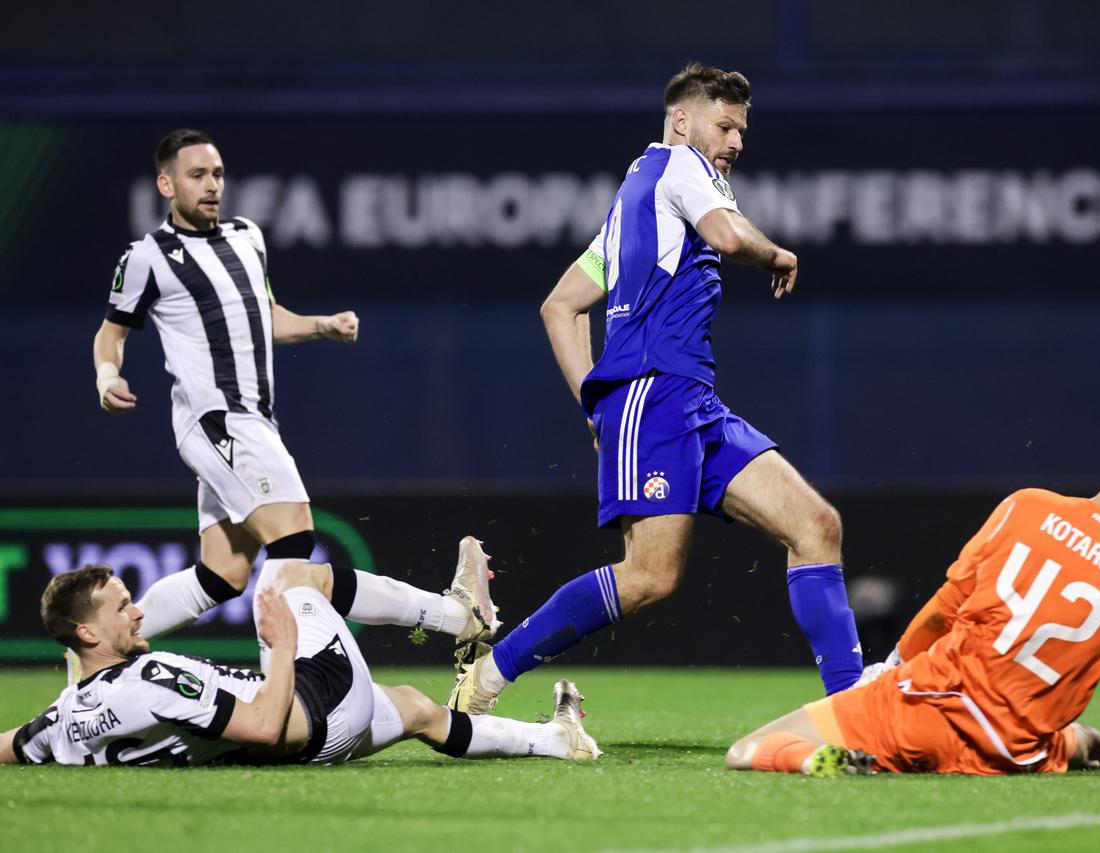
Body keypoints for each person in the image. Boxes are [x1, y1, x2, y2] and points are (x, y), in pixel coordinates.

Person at [448, 63, 862, 713]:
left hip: (691, 402)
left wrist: (594, 405)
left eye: (742, 131)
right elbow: (726, 235)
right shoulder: (679, 167)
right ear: (682, 121)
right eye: (725, 126)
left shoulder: (633, 203)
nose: (736, 142)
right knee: (649, 576)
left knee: (816, 526)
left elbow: (560, 306)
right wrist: (777, 253)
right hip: (656, 393)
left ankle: (852, 710)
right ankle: (489, 674)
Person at [93, 129, 487, 654]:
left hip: (252, 419)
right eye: (197, 175)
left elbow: (267, 317)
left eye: (217, 174)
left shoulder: (246, 236)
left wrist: (323, 325)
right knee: (295, 540)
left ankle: (100, 652)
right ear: (166, 184)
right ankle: (447, 618)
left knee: (222, 574)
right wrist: (108, 376)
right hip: (218, 420)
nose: (212, 185)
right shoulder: (147, 257)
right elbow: (111, 333)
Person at [725, 429, 1100, 776]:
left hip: (920, 708)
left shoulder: (1028, 506)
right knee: (1083, 743)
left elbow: (947, 605)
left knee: (747, 750)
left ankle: (816, 760)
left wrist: (891, 667)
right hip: (1014, 749)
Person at [0, 562, 598, 767]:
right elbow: (265, 726)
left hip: (297, 740)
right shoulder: (149, 679)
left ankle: (556, 741)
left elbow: (11, 745)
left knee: (417, 708)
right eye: (122, 608)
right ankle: (459, 615)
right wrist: (283, 646)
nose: (138, 613)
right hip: (314, 710)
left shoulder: (63, 719)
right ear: (86, 632)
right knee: (286, 577)